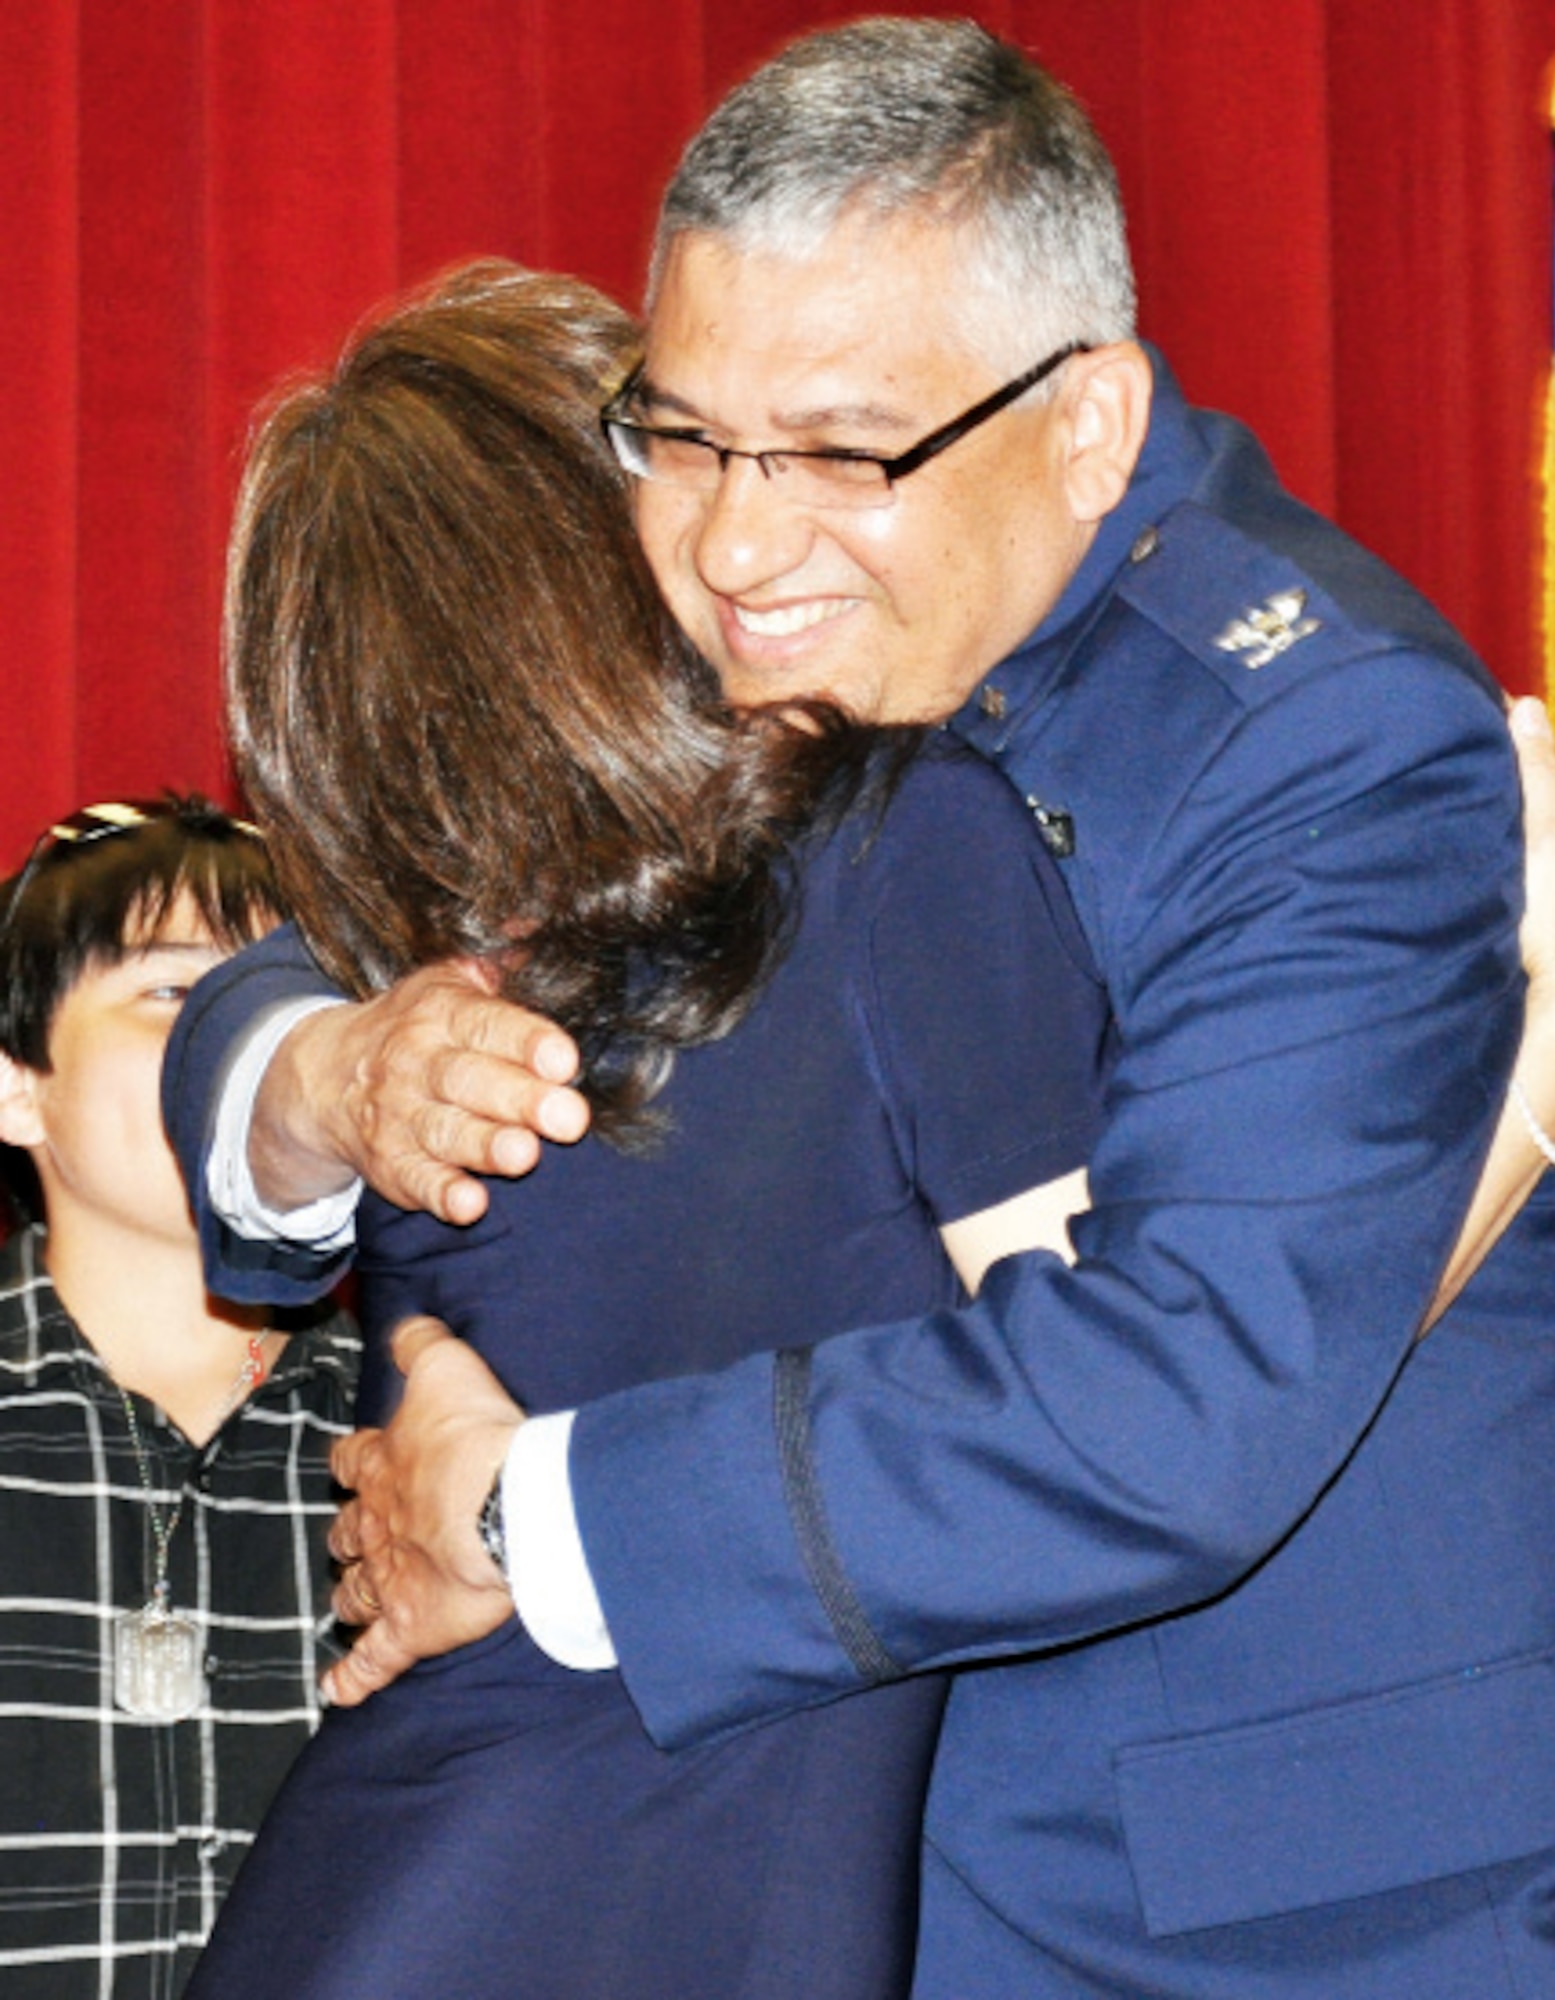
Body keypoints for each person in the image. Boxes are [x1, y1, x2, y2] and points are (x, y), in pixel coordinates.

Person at [167, 18, 1555, 1999]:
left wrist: (522, 1502)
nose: (735, 539)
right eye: (687, 433)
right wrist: (309, 1070)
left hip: (1350, 1910)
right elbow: (386, 846)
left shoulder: (1310, 744)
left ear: (1084, 423)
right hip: (858, 1875)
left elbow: (1184, 1392)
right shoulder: (784, 623)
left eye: (834, 449)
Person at [179, 260, 1113, 2000]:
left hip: (411, 1892)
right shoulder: (902, 840)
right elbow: (1117, 1421)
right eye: (674, 448)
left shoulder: (427, 1031)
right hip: (665, 1905)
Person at [0, 796, 356, 2000]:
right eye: (172, 995)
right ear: (16, 1088)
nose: (236, 1049)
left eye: (284, 998)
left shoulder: (417, 1426)